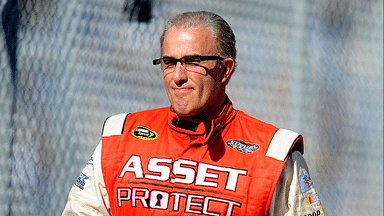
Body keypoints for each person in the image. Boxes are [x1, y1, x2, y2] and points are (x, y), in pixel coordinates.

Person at [62, 11, 324, 216]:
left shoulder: (273, 154)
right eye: (169, 62)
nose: (178, 76)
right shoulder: (119, 137)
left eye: (192, 62)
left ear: (225, 70)